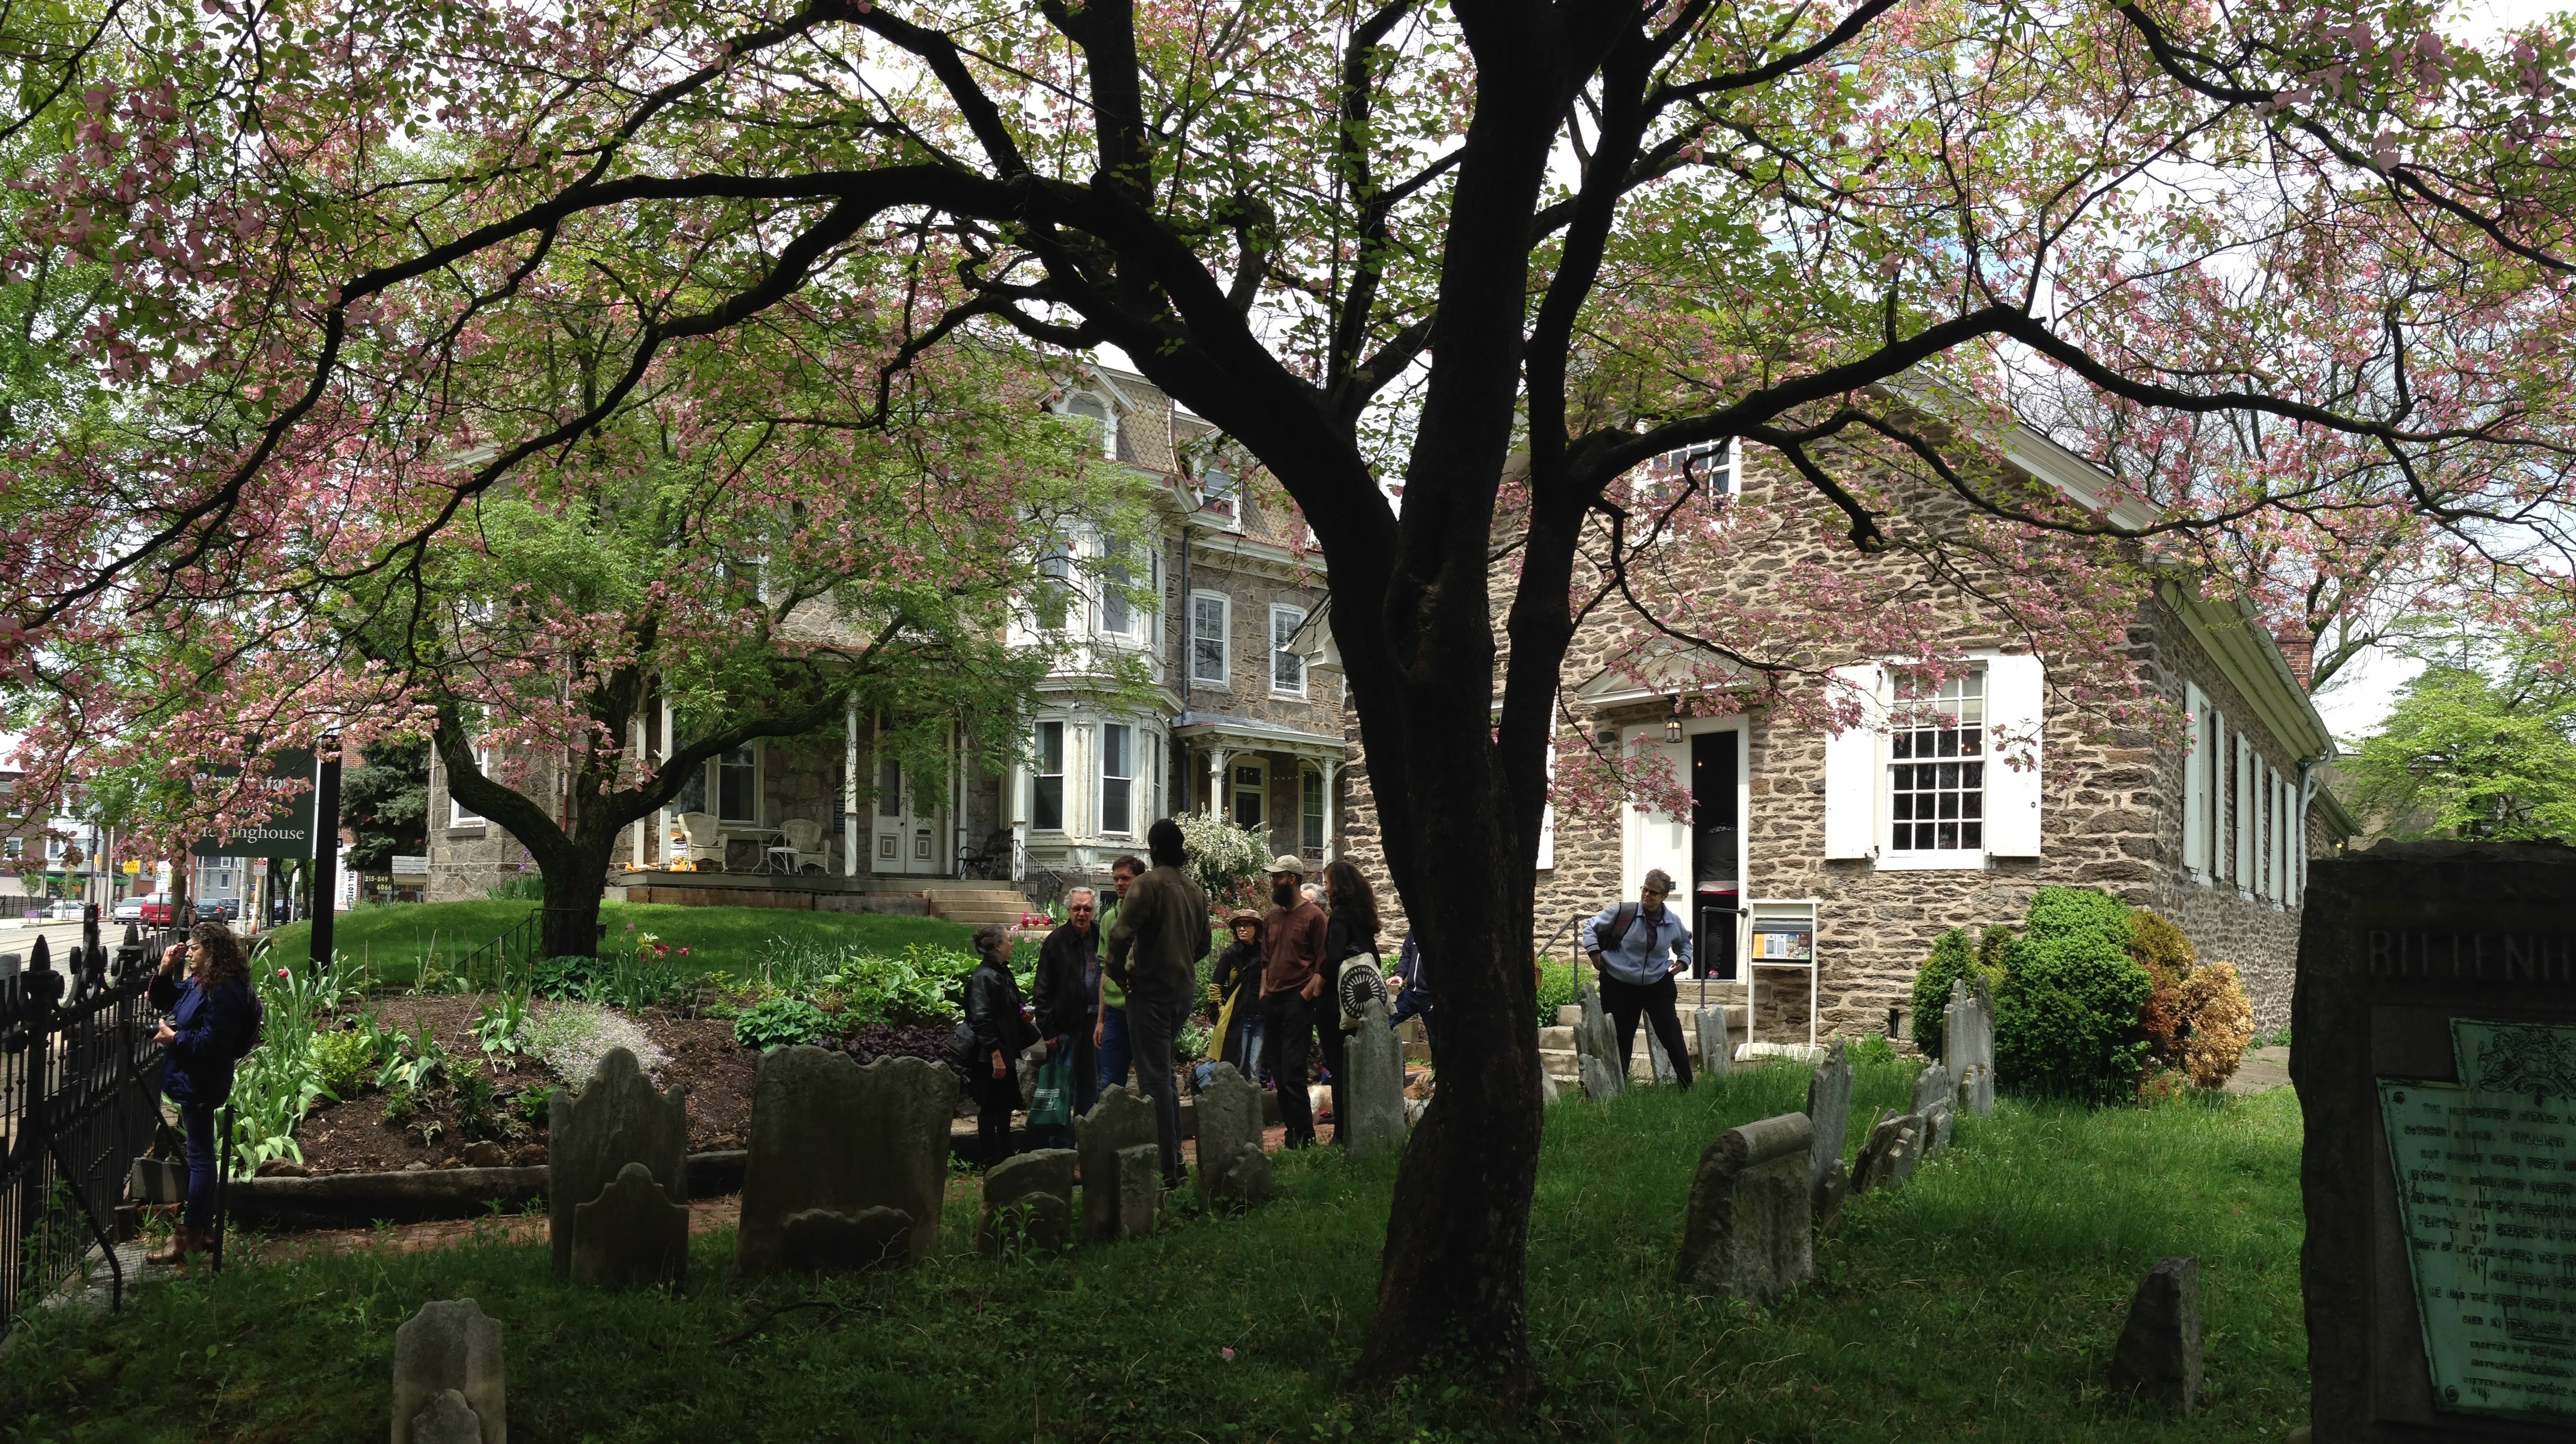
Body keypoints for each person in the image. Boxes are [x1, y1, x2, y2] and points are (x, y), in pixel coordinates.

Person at [146, 921, 261, 1264]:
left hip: (202, 1080)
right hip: (192, 1077)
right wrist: (165, 971)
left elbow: (214, 1043)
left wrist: (174, 1038)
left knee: (200, 1157)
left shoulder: (224, 990)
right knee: (201, 1153)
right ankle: (202, 1229)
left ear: (212, 951)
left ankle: (190, 1236)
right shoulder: (203, 981)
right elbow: (166, 999)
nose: (189, 953)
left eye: (194, 948)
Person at [1105, 819, 1210, 1186]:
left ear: (1151, 849)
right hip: (1182, 996)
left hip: (1149, 995)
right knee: (1165, 1078)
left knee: (1154, 1082)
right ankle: (1177, 1162)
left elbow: (1119, 936)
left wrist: (1120, 974)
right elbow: (1204, 947)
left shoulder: (1146, 884)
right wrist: (1180, 963)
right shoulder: (1195, 889)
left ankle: (1169, 1173)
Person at [1580, 868, 1696, 1090]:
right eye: (1645, 889)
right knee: (1621, 1037)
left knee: (1671, 1032)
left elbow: (1685, 942)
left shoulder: (1672, 922)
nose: (1647, 895)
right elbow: (1590, 927)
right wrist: (1595, 954)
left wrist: (1683, 960)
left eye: (1653, 892)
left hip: (1657, 983)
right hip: (1619, 983)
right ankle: (1617, 1088)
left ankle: (1686, 1085)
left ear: (1664, 897)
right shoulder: (1624, 913)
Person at [1257, 854, 1332, 1147]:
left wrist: (1305, 996)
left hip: (1297, 1001)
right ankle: (1292, 1135)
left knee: (1293, 1072)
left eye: (1277, 877)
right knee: (1277, 1069)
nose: (1273, 881)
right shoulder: (1271, 917)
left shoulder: (1315, 916)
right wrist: (1264, 991)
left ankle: (1305, 1137)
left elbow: (1322, 963)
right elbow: (1265, 960)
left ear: (1293, 879)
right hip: (1272, 1001)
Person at [1032, 887, 1104, 1147]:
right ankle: (1060, 1150)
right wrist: (1049, 1031)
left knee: (1090, 1088)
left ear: (1094, 910)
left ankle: (1085, 1146)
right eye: (1077, 909)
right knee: (1062, 1090)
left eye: (1087, 909)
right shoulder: (1056, 941)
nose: (1082, 914)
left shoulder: (1101, 937)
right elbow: (1041, 991)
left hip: (1095, 1025)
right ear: (1068, 910)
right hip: (1065, 1028)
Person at [964, 922, 1038, 1166]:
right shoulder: (983, 977)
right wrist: (995, 1055)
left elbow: (1002, 1009)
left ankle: (1005, 1157)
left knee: (1004, 1107)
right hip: (989, 1057)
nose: (1012, 943)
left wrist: (1020, 1016)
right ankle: (990, 1160)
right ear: (997, 946)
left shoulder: (1001, 973)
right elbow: (982, 1018)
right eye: (1008, 940)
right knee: (990, 1109)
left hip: (1003, 1052)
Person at [1317, 859, 1379, 1140]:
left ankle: (1342, 1132)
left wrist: (1316, 986)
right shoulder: (1363, 916)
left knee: (1339, 1067)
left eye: (1327, 881)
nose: (1325, 887)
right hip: (1362, 1000)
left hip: (1337, 1003)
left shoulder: (1340, 914)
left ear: (1338, 885)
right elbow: (1374, 958)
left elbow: (1333, 958)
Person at [1092, 854, 1144, 1091]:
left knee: (1153, 1077)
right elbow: (1105, 970)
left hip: (1145, 1010)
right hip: (1115, 1012)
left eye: (1126, 878)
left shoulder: (1151, 917)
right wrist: (1101, 1020)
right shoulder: (1109, 919)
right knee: (1110, 1081)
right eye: (1115, 879)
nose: (1119, 884)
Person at [1205, 911, 1265, 1077]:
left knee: (1254, 1067)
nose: (1242, 929)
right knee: (1236, 1064)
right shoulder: (1230, 954)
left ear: (1257, 929)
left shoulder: (1265, 953)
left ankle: (1252, 1101)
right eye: (1239, 925)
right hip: (1239, 1019)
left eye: (1247, 925)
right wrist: (1218, 1013)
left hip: (1261, 1018)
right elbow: (1215, 986)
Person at [1387, 928, 1435, 1066]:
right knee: (1385, 1021)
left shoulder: (1439, 930)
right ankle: (1397, 1070)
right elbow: (1406, 955)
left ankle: (1435, 1079)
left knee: (1435, 1041)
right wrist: (1399, 975)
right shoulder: (1415, 929)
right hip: (1410, 993)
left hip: (1429, 997)